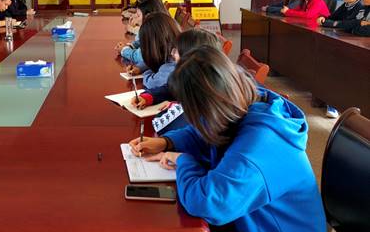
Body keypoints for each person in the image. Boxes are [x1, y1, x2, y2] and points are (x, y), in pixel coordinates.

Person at [129, 46, 326, 232]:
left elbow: (207, 204)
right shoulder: (239, 103)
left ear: (210, 107)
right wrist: (166, 142)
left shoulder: (261, 145)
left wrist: (183, 160)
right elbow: (205, 131)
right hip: (247, 220)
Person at [128, 12, 181, 108]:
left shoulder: (173, 62)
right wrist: (140, 67)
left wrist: (147, 72)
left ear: (152, 46)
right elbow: (169, 90)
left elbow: (153, 83)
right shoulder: (171, 50)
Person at [115, 0, 167, 66]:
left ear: (148, 15)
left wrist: (124, 50)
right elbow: (141, 41)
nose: (135, 17)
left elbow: (140, 56)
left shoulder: (153, 30)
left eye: (138, 15)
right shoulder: (159, 23)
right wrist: (130, 46)